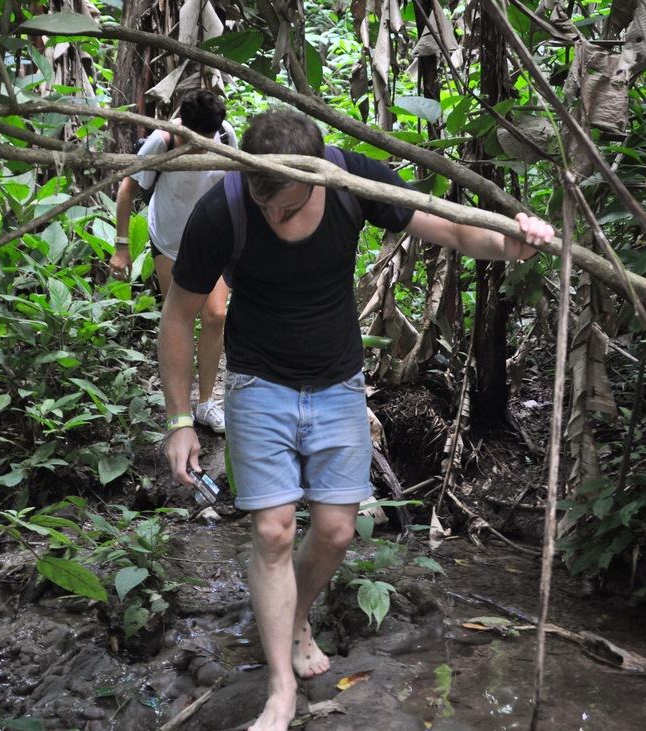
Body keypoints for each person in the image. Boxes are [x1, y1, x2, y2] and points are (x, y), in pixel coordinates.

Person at [159, 109, 555, 731]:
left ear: (317, 176)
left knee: (337, 530)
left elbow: (451, 228)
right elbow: (178, 316)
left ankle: (293, 617)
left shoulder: (349, 181)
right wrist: (180, 418)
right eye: (265, 205)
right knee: (273, 532)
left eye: (288, 207)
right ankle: (280, 691)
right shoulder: (226, 207)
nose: (275, 218)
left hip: (337, 384)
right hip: (258, 383)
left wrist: (512, 240)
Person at [109, 88, 237, 433]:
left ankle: (206, 403)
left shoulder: (225, 136)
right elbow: (127, 189)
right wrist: (122, 246)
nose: (203, 144)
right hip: (170, 240)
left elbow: (235, 184)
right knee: (179, 320)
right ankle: (179, 408)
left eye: (208, 137)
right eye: (196, 138)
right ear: (183, 125)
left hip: (213, 239)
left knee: (215, 315)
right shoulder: (161, 141)